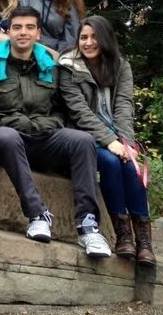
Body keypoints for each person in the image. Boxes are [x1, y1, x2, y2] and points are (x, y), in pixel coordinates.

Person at [0, 6, 111, 257]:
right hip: (6, 140)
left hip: (45, 138)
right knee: (7, 136)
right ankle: (37, 215)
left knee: (83, 140)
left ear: (38, 33)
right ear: (8, 31)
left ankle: (88, 226)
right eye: (17, 27)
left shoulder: (51, 68)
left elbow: (62, 111)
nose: (23, 33)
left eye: (30, 27)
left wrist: (51, 124)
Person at [59, 16, 156, 265]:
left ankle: (144, 241)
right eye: (83, 37)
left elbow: (124, 106)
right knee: (111, 164)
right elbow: (78, 111)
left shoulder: (121, 66)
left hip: (116, 135)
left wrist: (126, 143)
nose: (88, 43)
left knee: (132, 167)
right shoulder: (68, 66)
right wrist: (109, 141)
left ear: (105, 39)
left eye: (94, 37)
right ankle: (123, 235)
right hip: (87, 136)